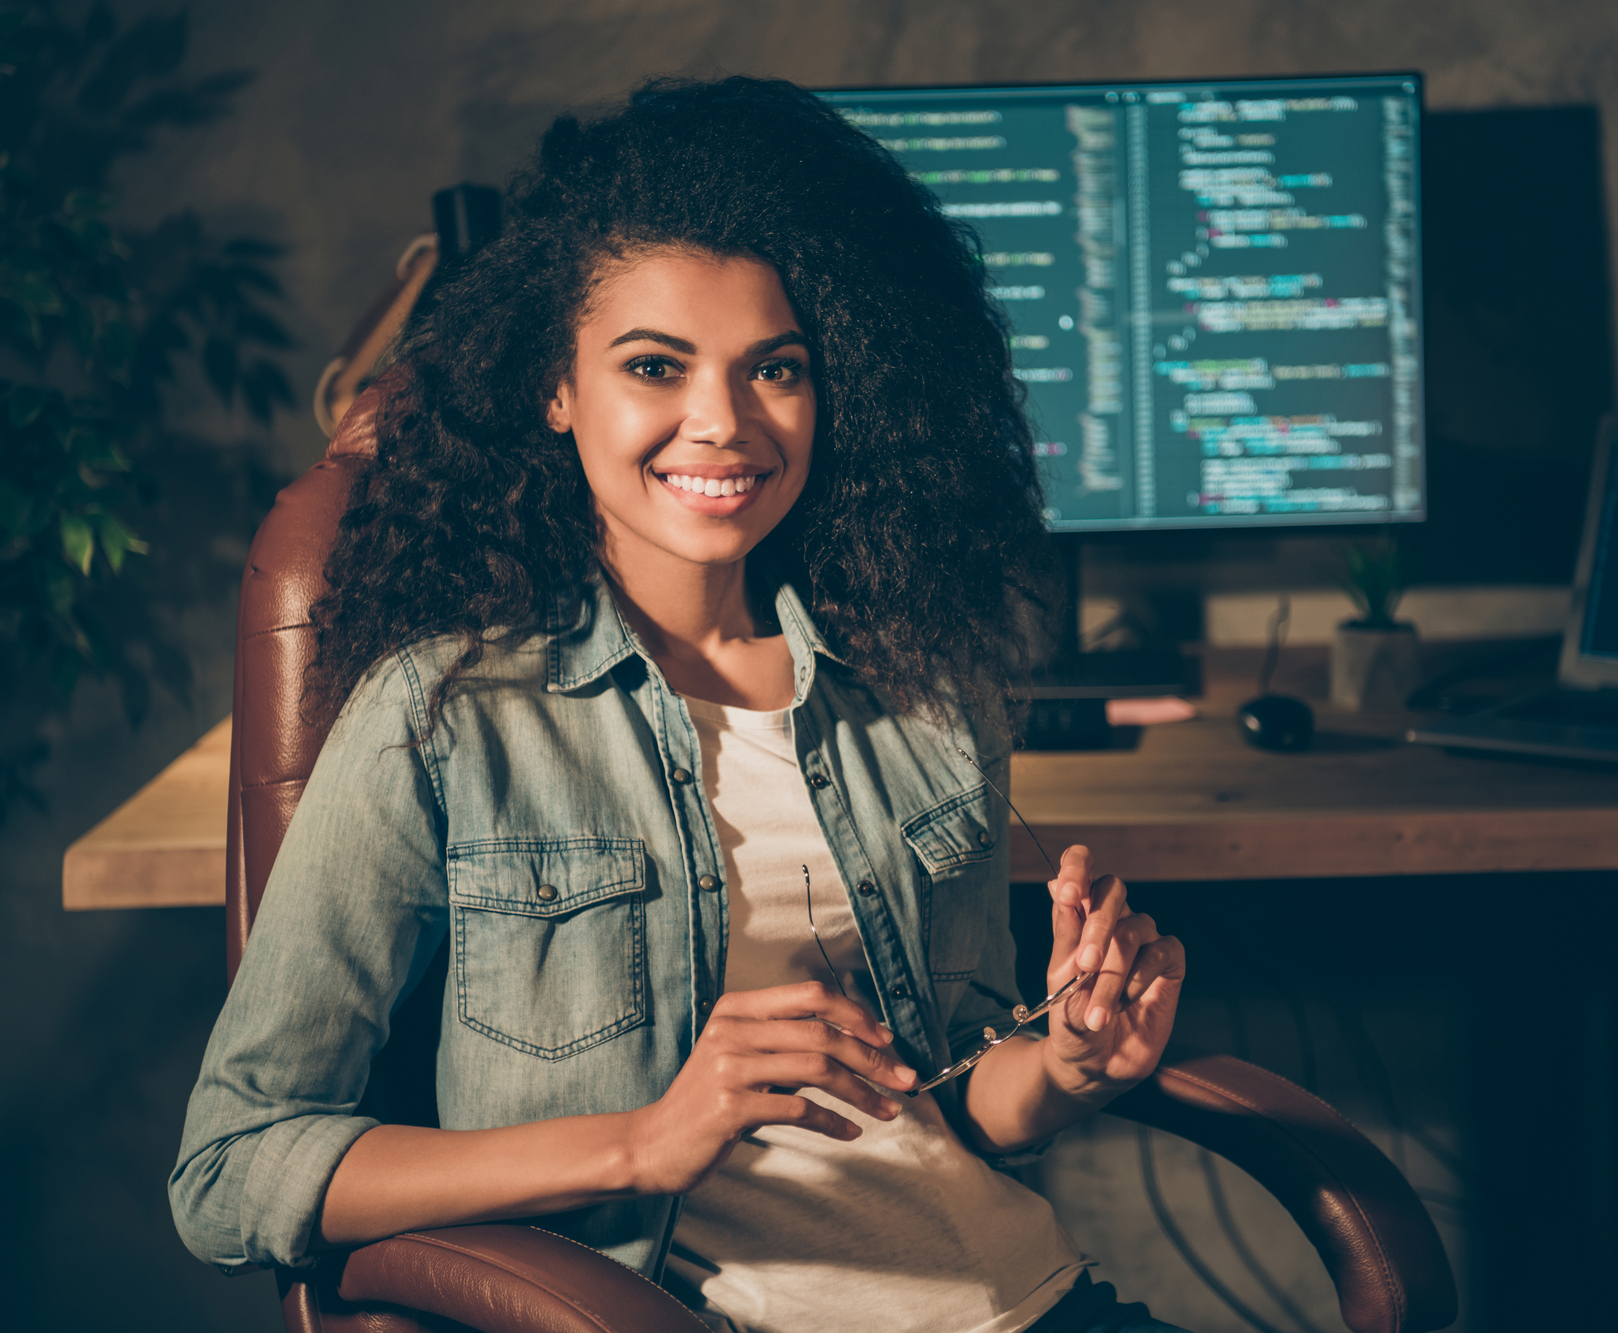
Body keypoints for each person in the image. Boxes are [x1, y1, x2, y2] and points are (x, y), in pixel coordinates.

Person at [170, 76, 1189, 1333]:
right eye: (655, 365)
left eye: (776, 369)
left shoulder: (922, 700)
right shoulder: (441, 718)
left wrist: (1071, 1064)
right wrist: (643, 1141)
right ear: (559, 388)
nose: (722, 423)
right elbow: (229, 1169)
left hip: (1039, 1302)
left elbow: (950, 1093)